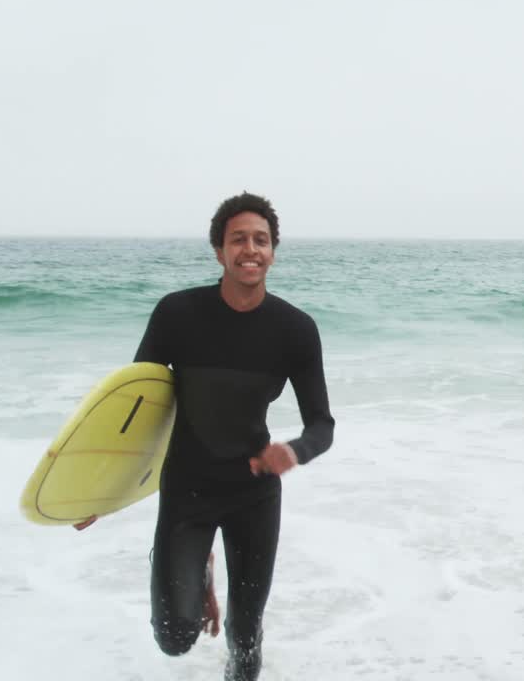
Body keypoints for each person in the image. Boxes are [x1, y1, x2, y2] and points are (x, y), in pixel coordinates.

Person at [77, 192, 335, 681]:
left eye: (261, 240)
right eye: (238, 239)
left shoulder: (295, 330)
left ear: (274, 252)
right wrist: (97, 491)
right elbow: (131, 413)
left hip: (254, 494)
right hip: (187, 491)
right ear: (219, 251)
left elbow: (323, 425)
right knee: (175, 637)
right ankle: (199, 570)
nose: (250, 249)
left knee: (245, 636)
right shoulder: (178, 314)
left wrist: (293, 452)